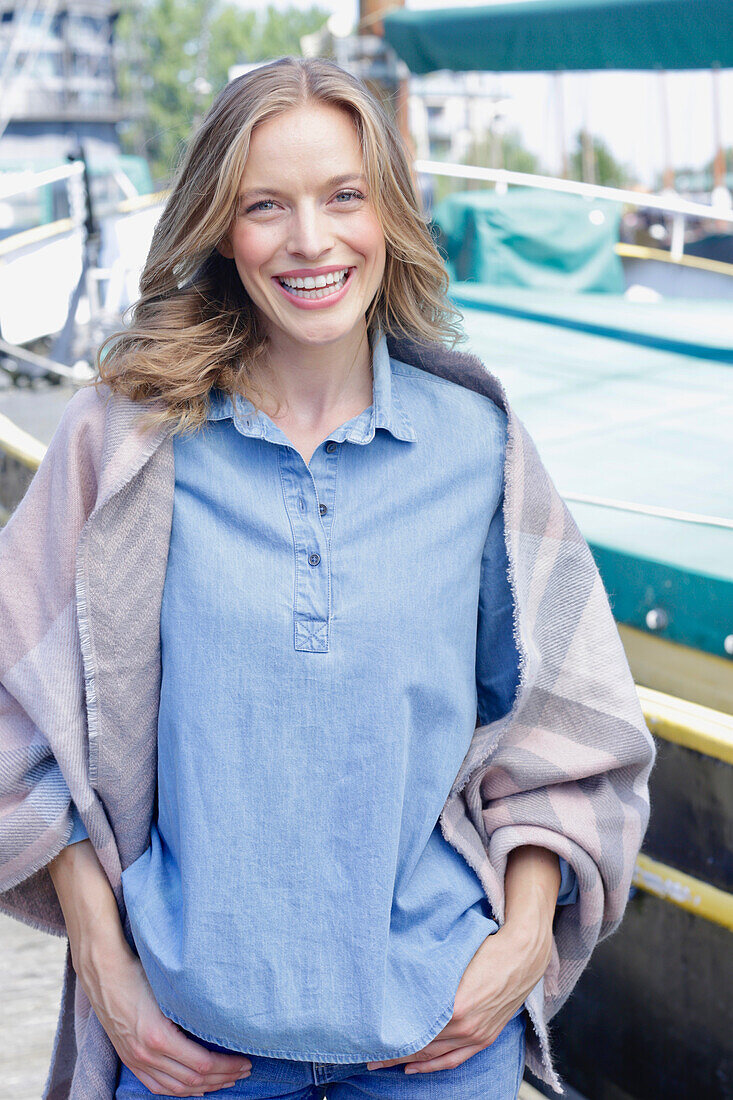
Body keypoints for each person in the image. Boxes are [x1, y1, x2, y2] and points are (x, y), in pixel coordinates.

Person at [0, 57, 655, 1100]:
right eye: (267, 205)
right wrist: (106, 965)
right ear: (221, 227)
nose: (311, 242)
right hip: (188, 1055)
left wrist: (523, 939)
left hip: (436, 1044)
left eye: (343, 196)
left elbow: (566, 734)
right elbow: (10, 717)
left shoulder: (475, 443)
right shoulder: (123, 442)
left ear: (387, 212)